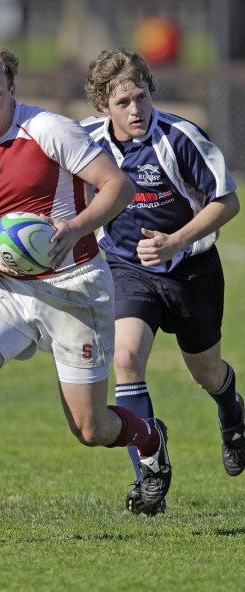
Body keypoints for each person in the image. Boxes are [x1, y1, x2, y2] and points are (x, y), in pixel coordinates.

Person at [0, 42, 172, 544]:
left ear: (12, 89)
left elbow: (118, 187)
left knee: (89, 429)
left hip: (76, 287)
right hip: (9, 287)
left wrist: (72, 228)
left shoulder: (48, 130)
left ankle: (150, 438)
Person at [81, 48, 242, 516]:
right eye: (123, 102)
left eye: (141, 97)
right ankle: (149, 470)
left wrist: (175, 242)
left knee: (205, 373)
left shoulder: (180, 137)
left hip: (192, 270)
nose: (135, 110)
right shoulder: (86, 142)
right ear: (102, 106)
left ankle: (232, 412)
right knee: (126, 358)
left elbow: (227, 202)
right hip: (127, 268)